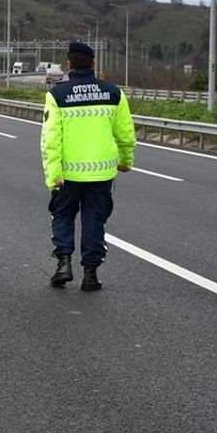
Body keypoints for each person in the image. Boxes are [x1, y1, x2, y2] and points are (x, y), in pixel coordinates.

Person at [39, 41, 136, 291]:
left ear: (69, 64)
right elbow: (125, 133)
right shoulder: (113, 93)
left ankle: (63, 264)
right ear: (93, 63)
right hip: (101, 174)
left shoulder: (57, 95)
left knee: (62, 216)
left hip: (68, 175)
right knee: (95, 221)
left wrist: (53, 174)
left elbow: (50, 139)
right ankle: (91, 275)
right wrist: (126, 160)